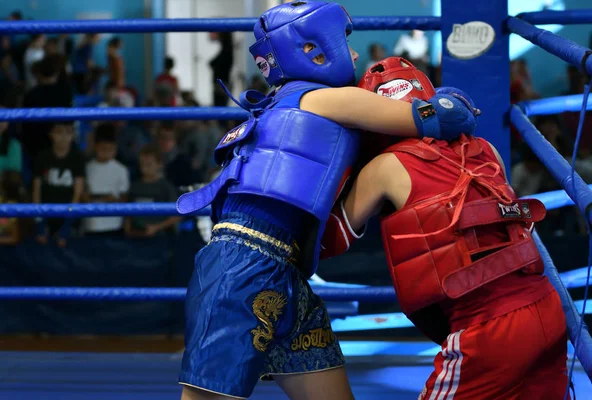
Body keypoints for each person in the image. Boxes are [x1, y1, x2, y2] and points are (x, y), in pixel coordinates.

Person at [175, 2, 479, 400]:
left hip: (283, 272)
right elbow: (441, 118)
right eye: (345, 43)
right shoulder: (326, 100)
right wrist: (450, 99)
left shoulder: (283, 105)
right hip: (242, 268)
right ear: (313, 51)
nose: (354, 54)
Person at [320, 57, 569, 400]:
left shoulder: (383, 167)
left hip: (486, 331)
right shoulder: (488, 150)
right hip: (547, 308)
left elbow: (329, 241)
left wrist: (337, 169)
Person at [32, 122, 85, 247]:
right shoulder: (42, 157)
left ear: (73, 135)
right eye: (59, 131)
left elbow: (78, 193)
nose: (63, 136)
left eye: (68, 132)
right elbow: (36, 190)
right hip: (45, 213)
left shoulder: (77, 158)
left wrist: (68, 223)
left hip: (68, 215)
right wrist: (39, 220)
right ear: (51, 134)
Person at [83, 123, 130, 236]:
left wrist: (113, 200)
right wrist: (88, 198)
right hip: (91, 225)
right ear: (96, 146)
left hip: (114, 225)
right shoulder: (87, 168)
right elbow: (82, 196)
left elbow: (125, 200)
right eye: (103, 148)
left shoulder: (121, 170)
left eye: (110, 149)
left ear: (115, 148)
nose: (107, 152)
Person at [124, 144, 180, 238]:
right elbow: (127, 211)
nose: (145, 168)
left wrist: (156, 227)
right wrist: (127, 228)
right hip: (135, 237)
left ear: (159, 164)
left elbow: (178, 215)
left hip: (160, 238)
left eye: (149, 164)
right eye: (142, 164)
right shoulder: (134, 186)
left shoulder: (166, 187)